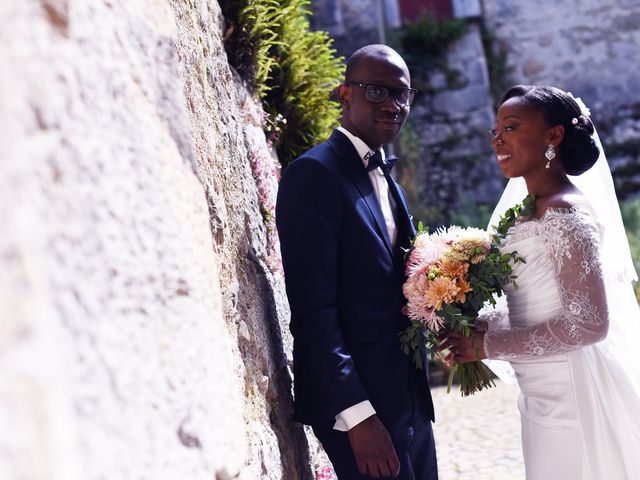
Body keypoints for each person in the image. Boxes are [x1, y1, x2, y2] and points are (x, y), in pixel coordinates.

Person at [443, 85, 640, 479]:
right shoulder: (528, 212)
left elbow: (589, 324)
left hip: (572, 390)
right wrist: (478, 326)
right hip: (539, 389)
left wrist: (488, 344)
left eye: (511, 127)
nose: (497, 137)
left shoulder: (566, 214)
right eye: (495, 129)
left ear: (554, 136)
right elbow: (533, 301)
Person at [276, 45, 437, 479]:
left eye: (403, 94)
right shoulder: (313, 175)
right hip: (362, 410)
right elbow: (313, 312)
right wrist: (358, 416)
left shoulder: (388, 179)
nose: (395, 105)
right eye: (377, 91)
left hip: (411, 401)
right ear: (345, 94)